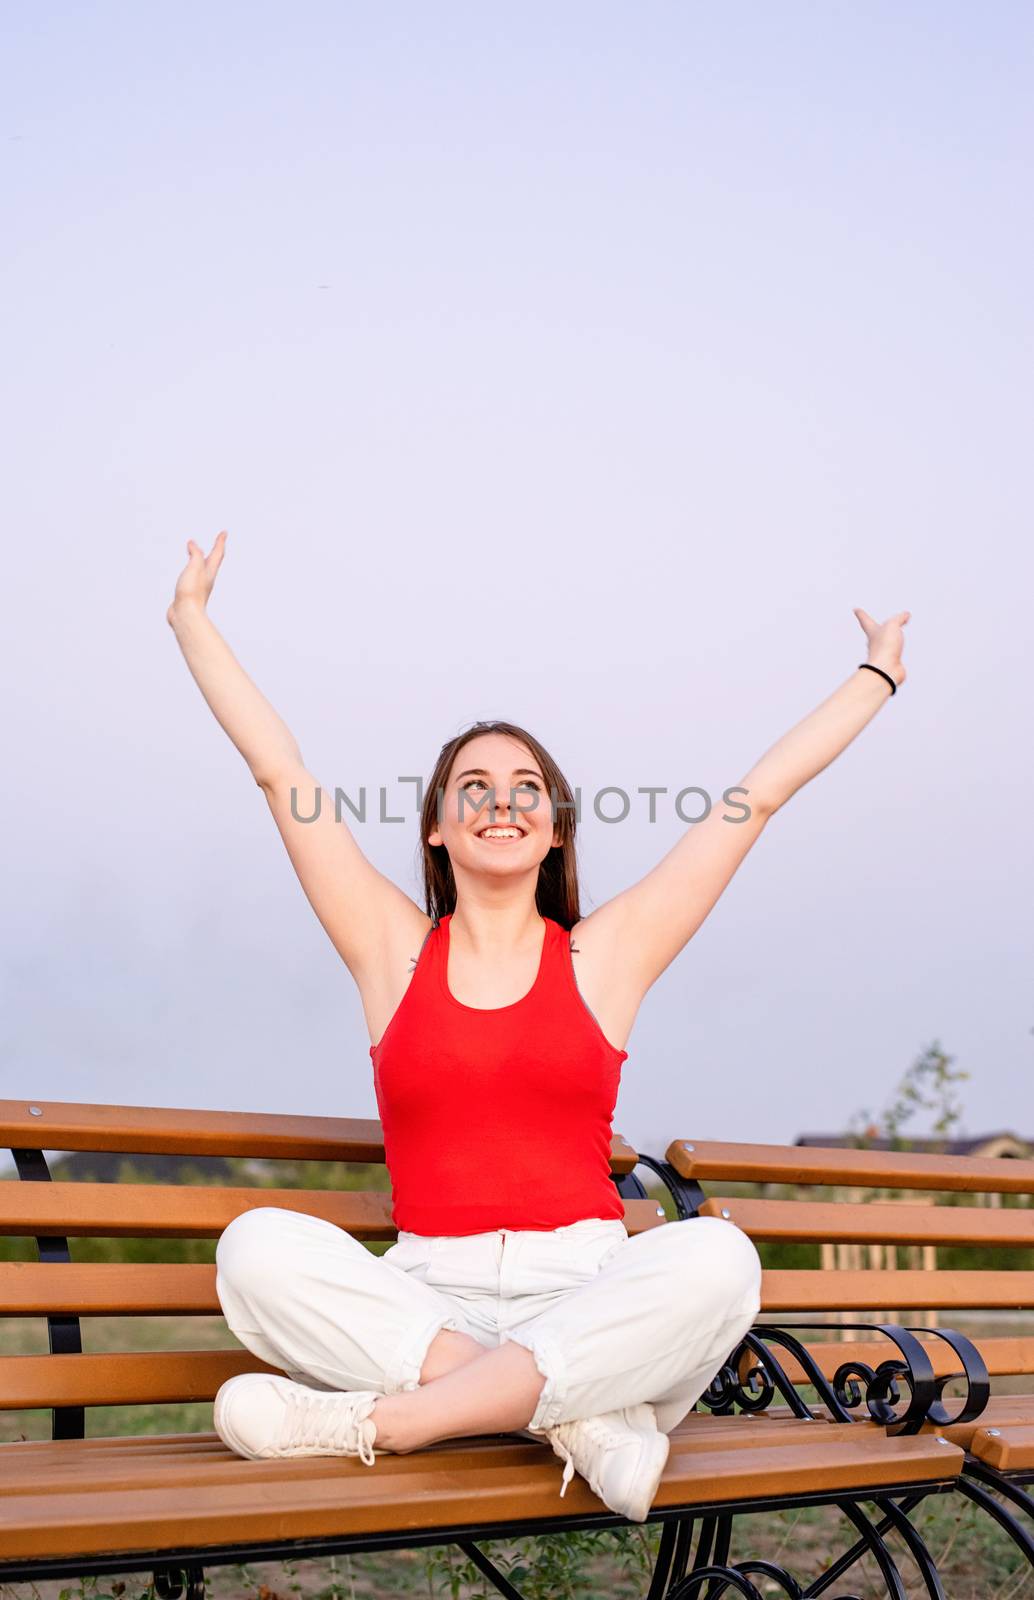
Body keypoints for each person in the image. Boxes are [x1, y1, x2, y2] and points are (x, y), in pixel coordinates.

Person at [166, 530, 909, 1521]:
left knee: (718, 1260)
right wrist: (191, 621)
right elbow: (279, 770)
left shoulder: (604, 957)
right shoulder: (392, 952)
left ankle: (382, 1424)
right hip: (431, 1296)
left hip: (588, 1286)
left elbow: (752, 800)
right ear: (435, 825)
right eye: (472, 787)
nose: (500, 802)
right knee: (254, 1247)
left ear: (554, 827)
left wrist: (874, 674)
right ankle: (571, 1417)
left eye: (525, 790)